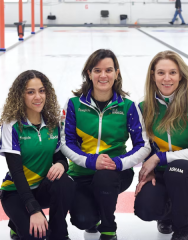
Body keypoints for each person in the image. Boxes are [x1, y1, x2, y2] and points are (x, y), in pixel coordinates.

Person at [61, 49, 150, 240]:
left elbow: (143, 145)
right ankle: (95, 215)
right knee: (83, 220)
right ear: (89, 73)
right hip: (81, 172)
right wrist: (91, 161)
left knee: (104, 176)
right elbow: (66, 143)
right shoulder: (73, 104)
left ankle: (109, 229)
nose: (103, 75)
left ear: (117, 74)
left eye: (109, 70)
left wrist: (118, 163)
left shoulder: (128, 106)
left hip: (115, 172)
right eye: (97, 70)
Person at [134, 50, 188, 240]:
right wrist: (148, 167)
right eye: (161, 73)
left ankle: (183, 228)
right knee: (145, 209)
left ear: (181, 75)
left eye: (173, 73)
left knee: (176, 169)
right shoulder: (143, 105)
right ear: (153, 75)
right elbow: (143, 144)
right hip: (160, 171)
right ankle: (167, 214)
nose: (166, 78)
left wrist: (159, 157)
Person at [0, 70, 75, 240]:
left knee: (65, 182)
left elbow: (60, 157)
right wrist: (33, 209)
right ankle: (16, 222)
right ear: (21, 95)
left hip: (42, 189)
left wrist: (61, 164)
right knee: (36, 236)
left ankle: (59, 233)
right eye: (30, 92)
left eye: (41, 91)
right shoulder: (12, 125)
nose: (38, 97)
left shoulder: (52, 123)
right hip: (16, 192)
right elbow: (17, 173)